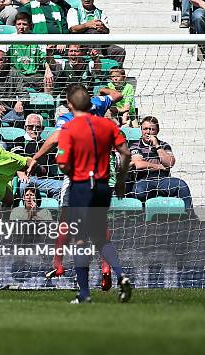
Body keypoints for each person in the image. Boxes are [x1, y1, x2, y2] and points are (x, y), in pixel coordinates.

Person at [26, 85, 122, 280]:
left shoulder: (66, 119)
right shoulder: (97, 105)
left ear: (69, 103)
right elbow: (117, 95)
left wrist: (36, 157)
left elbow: (56, 137)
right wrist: (103, 91)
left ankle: (58, 265)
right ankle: (105, 267)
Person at [56, 83, 132, 303]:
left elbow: (62, 164)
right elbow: (125, 153)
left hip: (81, 186)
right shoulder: (107, 125)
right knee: (100, 237)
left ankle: (84, 294)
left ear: (69, 104)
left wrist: (71, 170)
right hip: (102, 186)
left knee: (80, 240)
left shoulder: (69, 128)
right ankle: (122, 275)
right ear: (90, 102)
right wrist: (120, 179)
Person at [129, 116, 193, 211]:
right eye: (145, 129)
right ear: (141, 130)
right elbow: (139, 164)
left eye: (152, 129)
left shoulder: (164, 145)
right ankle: (141, 219)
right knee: (138, 191)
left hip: (163, 180)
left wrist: (157, 146)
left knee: (182, 185)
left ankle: (190, 215)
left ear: (157, 131)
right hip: (144, 179)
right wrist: (160, 166)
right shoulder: (135, 146)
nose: (148, 132)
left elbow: (170, 163)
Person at [9, 114, 62, 200]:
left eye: (38, 127)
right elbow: (17, 160)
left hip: (44, 180)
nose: (34, 130)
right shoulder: (19, 141)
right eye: (30, 127)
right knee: (24, 185)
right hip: (27, 179)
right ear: (25, 127)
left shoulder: (46, 145)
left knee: (63, 187)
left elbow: (46, 166)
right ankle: (23, 211)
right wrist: (22, 171)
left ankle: (56, 211)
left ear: (42, 129)